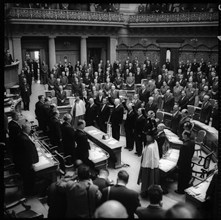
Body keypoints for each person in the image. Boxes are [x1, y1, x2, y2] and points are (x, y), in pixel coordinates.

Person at [14, 122, 39, 196]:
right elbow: (27, 154)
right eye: (30, 128)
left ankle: (29, 190)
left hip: (22, 162)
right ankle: (30, 193)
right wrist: (31, 163)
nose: (31, 129)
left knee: (28, 178)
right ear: (27, 129)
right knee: (29, 178)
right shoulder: (25, 139)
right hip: (26, 164)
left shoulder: (22, 135)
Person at [137, 129, 160, 198]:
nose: (146, 137)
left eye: (148, 136)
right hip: (153, 165)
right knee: (151, 180)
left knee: (146, 180)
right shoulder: (154, 142)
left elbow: (147, 158)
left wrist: (143, 165)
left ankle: (145, 193)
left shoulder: (150, 147)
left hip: (147, 166)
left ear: (151, 137)